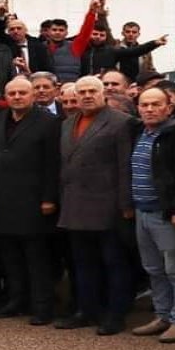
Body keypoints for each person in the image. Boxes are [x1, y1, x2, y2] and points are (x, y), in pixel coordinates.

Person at [54, 76, 137, 336]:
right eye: (82, 92)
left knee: (114, 262)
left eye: (92, 91)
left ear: (103, 94)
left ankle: (115, 314)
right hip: (75, 205)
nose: (87, 96)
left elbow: (125, 166)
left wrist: (126, 204)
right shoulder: (68, 123)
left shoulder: (121, 122)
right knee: (83, 263)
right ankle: (86, 311)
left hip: (108, 205)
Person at [0, 78, 61, 325]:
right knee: (10, 258)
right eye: (12, 93)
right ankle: (17, 301)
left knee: (36, 259)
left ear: (33, 95)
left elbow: (52, 164)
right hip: (1, 201)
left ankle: (42, 307)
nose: (17, 97)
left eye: (22, 93)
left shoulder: (49, 123)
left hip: (33, 201)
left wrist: (49, 197)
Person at [128, 86, 175, 343]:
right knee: (154, 269)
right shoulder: (138, 132)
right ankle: (163, 314)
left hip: (166, 214)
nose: (149, 109)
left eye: (156, 104)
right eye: (144, 105)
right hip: (142, 211)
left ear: (169, 107)